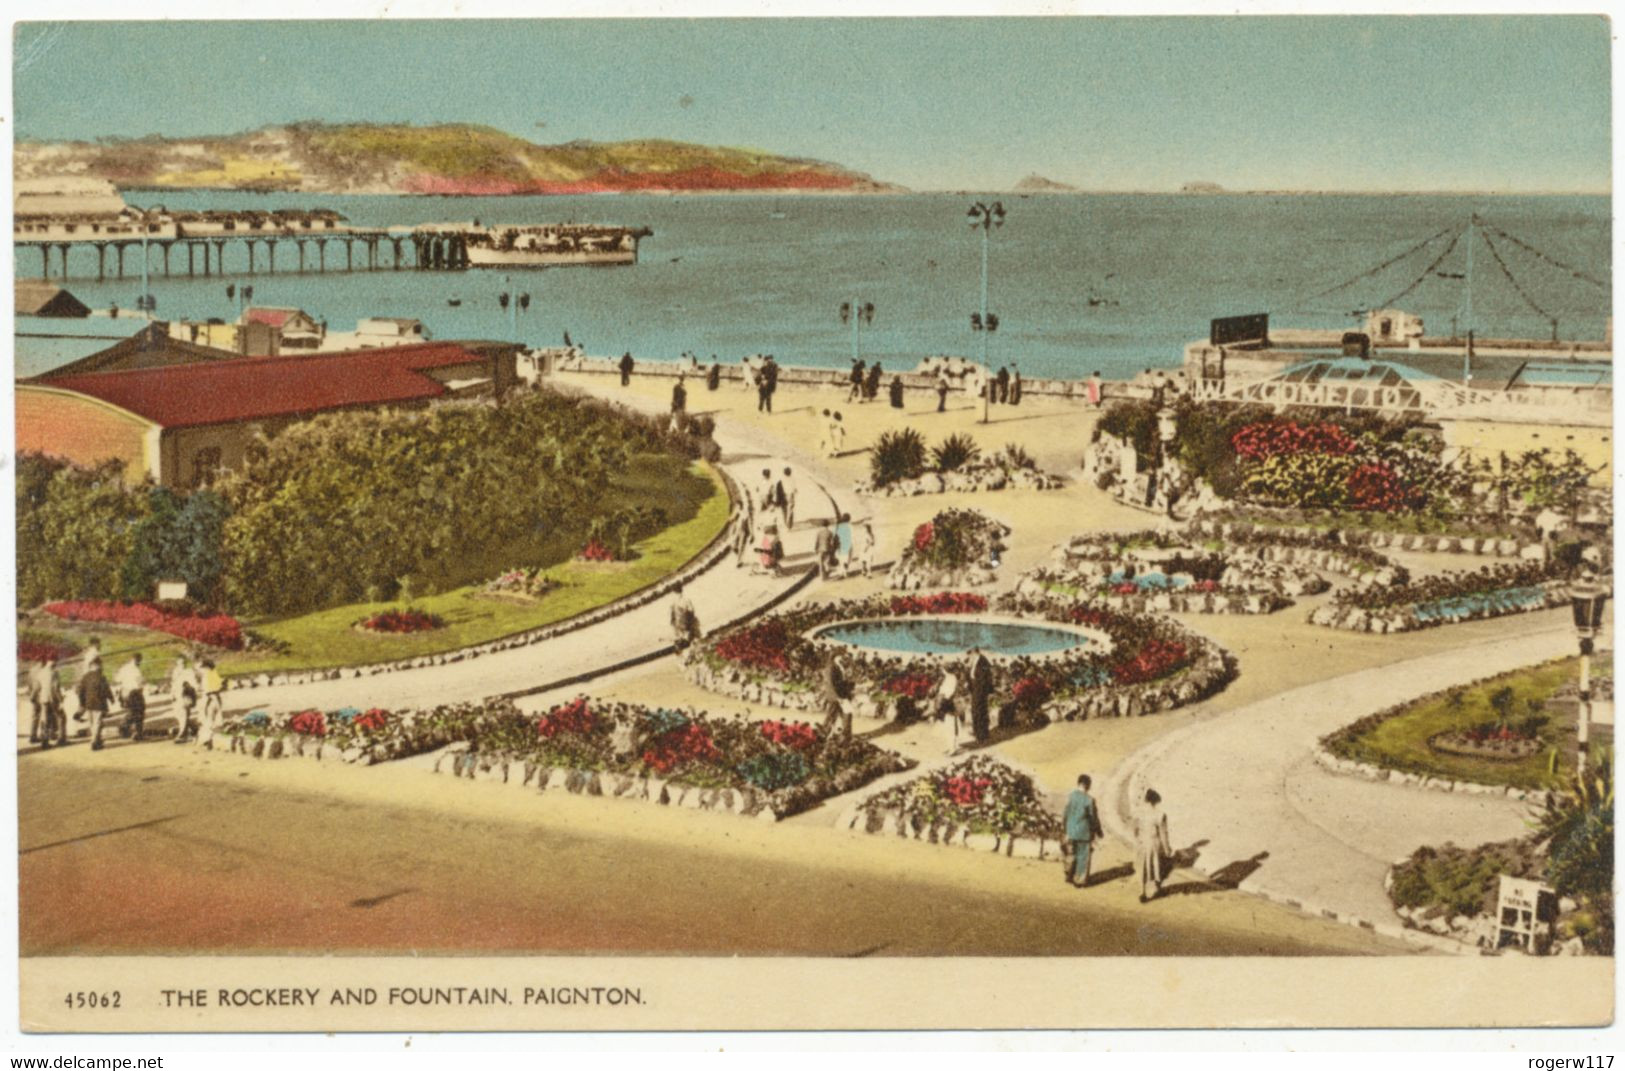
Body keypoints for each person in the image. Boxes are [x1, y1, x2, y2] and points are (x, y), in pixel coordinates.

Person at [1063, 774, 1104, 888]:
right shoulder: (1089, 800)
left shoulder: (1071, 796)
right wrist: (1098, 831)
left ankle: (1069, 875)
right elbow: (1093, 818)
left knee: (1071, 854)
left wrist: (1065, 829)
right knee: (1083, 856)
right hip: (1084, 832)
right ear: (1087, 785)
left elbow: (1065, 814)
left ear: (1079, 783)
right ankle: (1079, 880)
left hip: (1071, 831)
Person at [1135, 787, 1173, 903]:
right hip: (1154, 843)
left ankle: (1142, 892)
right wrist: (1167, 849)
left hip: (1142, 842)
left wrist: (1139, 840)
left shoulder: (1139, 814)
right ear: (1156, 801)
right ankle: (1156, 888)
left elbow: (1135, 830)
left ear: (1146, 800)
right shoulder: (1160, 814)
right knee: (1157, 866)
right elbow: (1163, 834)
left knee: (1143, 867)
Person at [75, 654, 113, 751]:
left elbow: (80, 690)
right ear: (96, 665)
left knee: (92, 723)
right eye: (100, 665)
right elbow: (106, 690)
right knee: (97, 723)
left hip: (88, 703)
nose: (101, 666)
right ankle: (94, 741)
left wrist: (82, 702)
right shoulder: (101, 677)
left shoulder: (85, 677)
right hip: (99, 703)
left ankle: (97, 739)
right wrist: (111, 698)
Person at [26, 656, 62, 747]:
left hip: (42, 698)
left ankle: (43, 740)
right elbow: (55, 688)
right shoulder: (54, 672)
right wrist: (61, 699)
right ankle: (60, 738)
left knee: (44, 719)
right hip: (52, 698)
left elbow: (35, 686)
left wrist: (32, 696)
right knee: (60, 717)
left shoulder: (38, 672)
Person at [819, 654, 852, 742]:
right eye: (839, 656)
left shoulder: (840, 667)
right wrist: (836, 697)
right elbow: (830, 683)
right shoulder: (831, 668)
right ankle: (826, 732)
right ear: (834, 658)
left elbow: (842, 681)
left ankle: (844, 735)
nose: (842, 658)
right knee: (834, 714)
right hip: (836, 696)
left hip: (842, 695)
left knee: (845, 713)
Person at [115, 653, 147, 741]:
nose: (139, 663)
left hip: (125, 692)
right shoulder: (136, 670)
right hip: (135, 692)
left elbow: (117, 679)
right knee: (139, 712)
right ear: (137, 660)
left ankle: (124, 728)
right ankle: (137, 732)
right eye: (139, 661)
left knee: (131, 712)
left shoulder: (124, 668)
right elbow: (140, 682)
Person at [170, 653, 199, 743]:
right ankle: (195, 728)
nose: (182, 665)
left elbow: (194, 684)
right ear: (177, 663)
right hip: (177, 696)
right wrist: (172, 694)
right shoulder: (175, 671)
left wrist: (188, 687)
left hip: (186, 696)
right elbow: (173, 684)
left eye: (183, 663)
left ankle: (182, 735)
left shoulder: (189, 672)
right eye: (180, 663)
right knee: (179, 715)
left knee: (183, 715)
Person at [966, 646, 993, 743]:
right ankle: (977, 732)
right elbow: (971, 675)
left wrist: (981, 692)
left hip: (980, 691)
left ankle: (982, 735)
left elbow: (985, 679)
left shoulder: (983, 661)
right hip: (975, 690)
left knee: (980, 712)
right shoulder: (974, 660)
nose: (969, 655)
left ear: (975, 652)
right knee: (975, 711)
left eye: (970, 653)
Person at [935, 668, 962, 756]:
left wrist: (940, 699)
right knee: (951, 726)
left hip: (948, 703)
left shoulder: (950, 678)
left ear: (944, 670)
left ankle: (952, 748)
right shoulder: (949, 677)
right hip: (948, 702)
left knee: (950, 726)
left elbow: (948, 693)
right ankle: (953, 746)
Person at [198, 659, 225, 749]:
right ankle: (211, 739)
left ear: (207, 668)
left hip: (211, 699)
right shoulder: (213, 674)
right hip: (214, 698)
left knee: (209, 719)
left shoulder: (208, 676)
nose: (201, 670)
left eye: (203, 668)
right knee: (212, 719)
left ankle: (207, 740)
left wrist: (215, 701)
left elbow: (211, 691)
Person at [669, 584, 700, 650]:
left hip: (680, 623)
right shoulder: (686, 599)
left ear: (674, 592)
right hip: (685, 623)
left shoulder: (673, 601)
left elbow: (672, 614)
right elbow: (691, 610)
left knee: (683, 635)